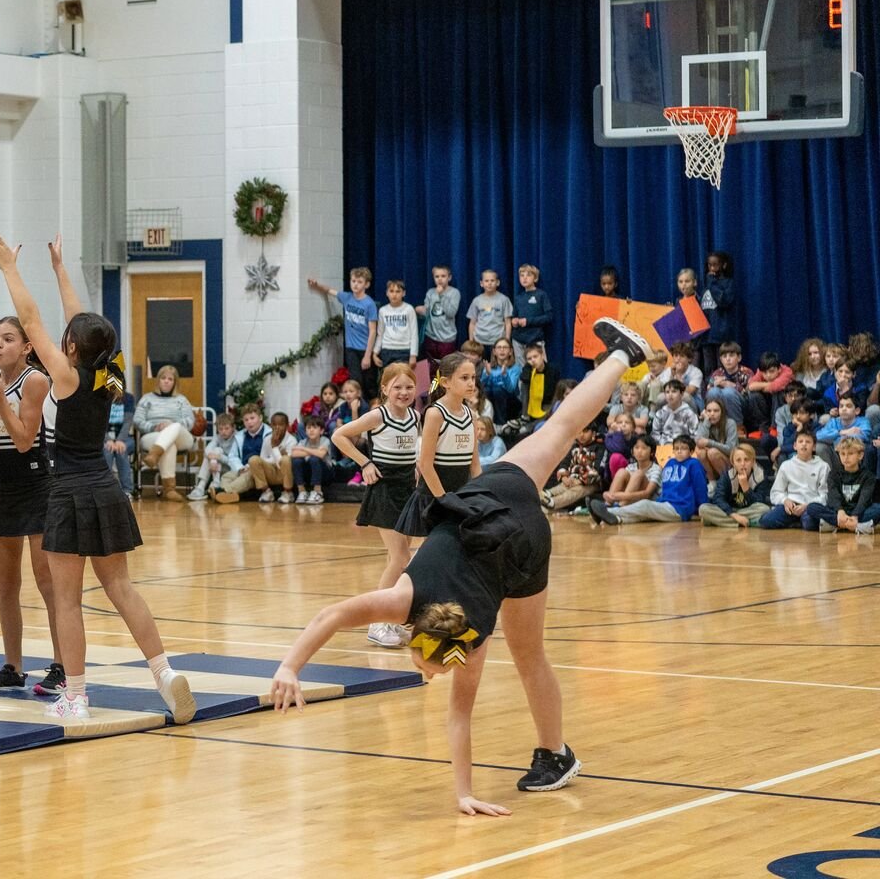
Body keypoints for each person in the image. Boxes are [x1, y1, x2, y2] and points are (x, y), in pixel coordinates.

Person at [269, 317, 658, 814]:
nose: (427, 675)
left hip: (519, 542)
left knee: (529, 656)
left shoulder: (465, 644)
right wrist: (288, 666)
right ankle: (624, 356)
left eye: (426, 667)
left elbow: (459, 718)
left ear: (438, 641)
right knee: (560, 429)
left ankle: (557, 754)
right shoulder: (408, 605)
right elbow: (330, 616)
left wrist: (466, 794)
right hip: (496, 502)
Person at [0, 232, 196, 724]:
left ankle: (75, 695)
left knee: (67, 600)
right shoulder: (111, 374)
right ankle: (163, 673)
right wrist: (60, 268)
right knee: (122, 587)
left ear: (71, 347)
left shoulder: (66, 377)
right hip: (106, 487)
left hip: (67, 488)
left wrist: (9, 269)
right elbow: (86, 326)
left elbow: (33, 321)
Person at [0, 314, 64, 696]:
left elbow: (23, 440)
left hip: (35, 482)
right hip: (0, 483)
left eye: (7, 339)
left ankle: (62, 664)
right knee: (6, 581)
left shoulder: (35, 380)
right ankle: (13, 666)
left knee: (46, 579)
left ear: (27, 347)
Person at [330, 363, 420, 648]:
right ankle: (377, 623)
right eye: (397, 387)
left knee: (397, 559)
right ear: (385, 389)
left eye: (408, 387)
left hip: (408, 490)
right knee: (401, 558)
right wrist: (365, 462)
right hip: (384, 490)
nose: (403, 393)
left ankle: (391, 618)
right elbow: (339, 436)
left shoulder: (416, 417)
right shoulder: (377, 415)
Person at [396, 352, 481, 537]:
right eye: (464, 378)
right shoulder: (435, 414)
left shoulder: (471, 416)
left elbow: (474, 464)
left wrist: (480, 493)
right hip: (433, 498)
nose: (471, 383)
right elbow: (425, 465)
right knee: (426, 558)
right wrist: (444, 500)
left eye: (473, 378)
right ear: (445, 382)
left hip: (461, 496)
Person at [589, 434, 705, 525]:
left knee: (645, 505)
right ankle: (617, 518)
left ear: (691, 452)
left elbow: (700, 487)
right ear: (673, 451)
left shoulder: (694, 464)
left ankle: (608, 511)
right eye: (677, 448)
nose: (679, 451)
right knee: (643, 515)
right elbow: (666, 489)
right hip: (664, 503)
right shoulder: (670, 463)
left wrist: (702, 509)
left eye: (684, 449)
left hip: (680, 508)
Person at [308, 269, 377, 396]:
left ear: (366, 285)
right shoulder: (347, 298)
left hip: (365, 348)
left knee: (369, 383)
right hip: (351, 348)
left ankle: (372, 409)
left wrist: (368, 355)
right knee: (355, 381)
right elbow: (329, 290)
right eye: (353, 281)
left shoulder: (369, 304)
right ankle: (357, 410)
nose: (355, 284)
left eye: (359, 282)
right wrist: (317, 285)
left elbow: (373, 331)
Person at [133, 365, 196, 500]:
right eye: (163, 378)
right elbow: (137, 420)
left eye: (170, 379)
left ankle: (154, 455)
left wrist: (171, 425)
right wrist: (154, 427)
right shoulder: (147, 399)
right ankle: (169, 489)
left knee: (175, 426)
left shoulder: (181, 400)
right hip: (153, 435)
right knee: (169, 445)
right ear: (158, 380)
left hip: (181, 435)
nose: (166, 381)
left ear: (175, 382)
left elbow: (190, 421)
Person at [756, 428, 833, 530]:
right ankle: (795, 522)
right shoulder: (786, 465)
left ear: (814, 447)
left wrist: (806, 505)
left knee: (809, 522)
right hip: (791, 506)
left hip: (810, 506)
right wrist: (785, 500)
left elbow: (825, 495)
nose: (804, 444)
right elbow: (776, 492)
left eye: (808, 442)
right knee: (766, 521)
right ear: (795, 446)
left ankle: (797, 522)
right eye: (800, 441)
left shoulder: (823, 466)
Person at [808, 437, 879, 534]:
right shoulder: (834, 474)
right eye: (842, 454)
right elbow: (833, 496)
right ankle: (857, 527)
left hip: (860, 512)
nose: (846, 458)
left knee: (877, 509)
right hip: (839, 513)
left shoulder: (868, 476)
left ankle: (836, 525)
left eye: (850, 454)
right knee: (812, 507)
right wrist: (840, 512)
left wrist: (855, 515)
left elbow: (864, 499)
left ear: (860, 455)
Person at [700, 443, 770, 528]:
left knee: (764, 509)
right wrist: (735, 516)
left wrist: (746, 488)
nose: (743, 463)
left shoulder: (760, 476)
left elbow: (759, 501)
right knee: (703, 509)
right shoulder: (727, 476)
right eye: (738, 460)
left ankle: (717, 521)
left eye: (746, 460)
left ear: (753, 462)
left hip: (749, 510)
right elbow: (718, 498)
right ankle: (747, 522)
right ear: (733, 463)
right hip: (730, 510)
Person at [187, 413, 242, 503]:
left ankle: (208, 485)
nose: (223, 431)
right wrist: (213, 459)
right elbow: (208, 449)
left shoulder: (237, 438)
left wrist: (218, 457)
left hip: (231, 468)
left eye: (227, 428)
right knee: (214, 451)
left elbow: (232, 461)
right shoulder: (218, 437)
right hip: (217, 467)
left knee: (217, 451)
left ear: (233, 428)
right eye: (220, 429)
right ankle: (202, 486)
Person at [698, 251, 736, 379]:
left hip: (721, 334)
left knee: (722, 368)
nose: (712, 268)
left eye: (715, 265)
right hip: (706, 336)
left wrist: (712, 283)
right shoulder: (706, 286)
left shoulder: (728, 283)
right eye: (710, 265)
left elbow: (723, 301)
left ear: (724, 265)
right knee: (708, 368)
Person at [418, 265, 462, 369]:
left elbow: (451, 313)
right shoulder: (430, 292)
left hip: (447, 338)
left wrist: (441, 294)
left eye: (443, 276)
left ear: (449, 277)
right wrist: (421, 310)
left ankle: (444, 385)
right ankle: (433, 386)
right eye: (437, 276)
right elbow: (428, 312)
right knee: (432, 368)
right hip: (431, 337)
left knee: (446, 368)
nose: (440, 279)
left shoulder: (454, 293)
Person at [509, 264, 553, 364]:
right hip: (518, 340)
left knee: (540, 367)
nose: (524, 278)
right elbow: (514, 315)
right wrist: (514, 321)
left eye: (528, 275)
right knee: (522, 370)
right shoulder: (518, 297)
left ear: (535, 278)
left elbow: (549, 317)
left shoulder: (541, 295)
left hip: (535, 339)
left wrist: (528, 321)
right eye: (522, 275)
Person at [288, 415, 334, 505]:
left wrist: (304, 449)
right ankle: (302, 491)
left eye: (314, 427)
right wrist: (314, 451)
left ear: (321, 431)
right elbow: (293, 454)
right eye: (308, 428)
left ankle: (318, 492)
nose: (311, 430)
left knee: (315, 459)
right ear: (305, 430)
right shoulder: (303, 442)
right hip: (310, 473)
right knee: (297, 461)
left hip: (326, 473)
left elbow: (321, 454)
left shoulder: (325, 440)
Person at [374, 279, 418, 372]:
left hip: (404, 350)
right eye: (391, 291)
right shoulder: (383, 310)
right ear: (387, 293)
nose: (394, 294)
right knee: (388, 380)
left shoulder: (409, 309)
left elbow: (414, 334)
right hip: (387, 350)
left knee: (402, 379)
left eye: (398, 291)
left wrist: (413, 355)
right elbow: (380, 334)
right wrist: (375, 352)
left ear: (404, 293)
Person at [467, 270, 512, 351]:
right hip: (479, 340)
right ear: (481, 283)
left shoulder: (504, 299)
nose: (489, 283)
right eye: (486, 281)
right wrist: (471, 341)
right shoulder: (477, 300)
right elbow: (472, 322)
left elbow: (508, 322)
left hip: (498, 340)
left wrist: (507, 340)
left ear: (497, 282)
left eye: (492, 280)